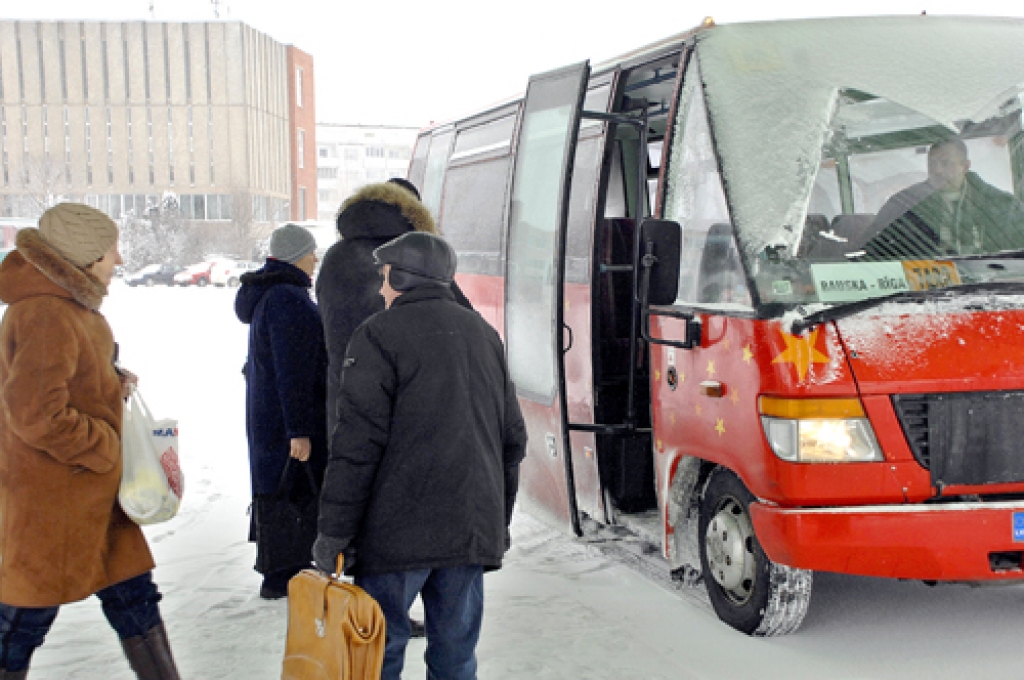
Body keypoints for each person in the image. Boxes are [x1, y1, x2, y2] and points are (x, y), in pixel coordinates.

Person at [313, 232, 528, 680]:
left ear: (404, 275)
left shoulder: (377, 335)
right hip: (468, 529)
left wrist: (333, 533)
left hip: (395, 535)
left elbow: (357, 446)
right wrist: (497, 523)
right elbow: (512, 441)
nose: (380, 288)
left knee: (376, 654)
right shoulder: (484, 335)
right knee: (455, 656)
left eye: (386, 276)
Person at [0, 203, 180, 679]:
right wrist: (105, 446)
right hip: (55, 501)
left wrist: (108, 379)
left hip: (93, 496)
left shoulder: (66, 306)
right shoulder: (46, 312)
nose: (118, 260)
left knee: (135, 598)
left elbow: (60, 382)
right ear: (84, 257)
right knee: (21, 622)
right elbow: (36, 413)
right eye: (110, 251)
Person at [235, 223, 328, 600]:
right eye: (311, 252)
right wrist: (299, 429)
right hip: (284, 418)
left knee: (277, 487)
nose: (315, 259)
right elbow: (293, 370)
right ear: (296, 257)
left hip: (266, 416)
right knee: (294, 488)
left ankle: (281, 569)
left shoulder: (267, 294)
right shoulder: (288, 298)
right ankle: (284, 573)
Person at [865, 138, 1024, 259]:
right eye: (932, 164)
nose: (938, 170)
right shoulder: (903, 205)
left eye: (945, 163)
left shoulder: (1003, 206)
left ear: (965, 166)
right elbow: (876, 254)